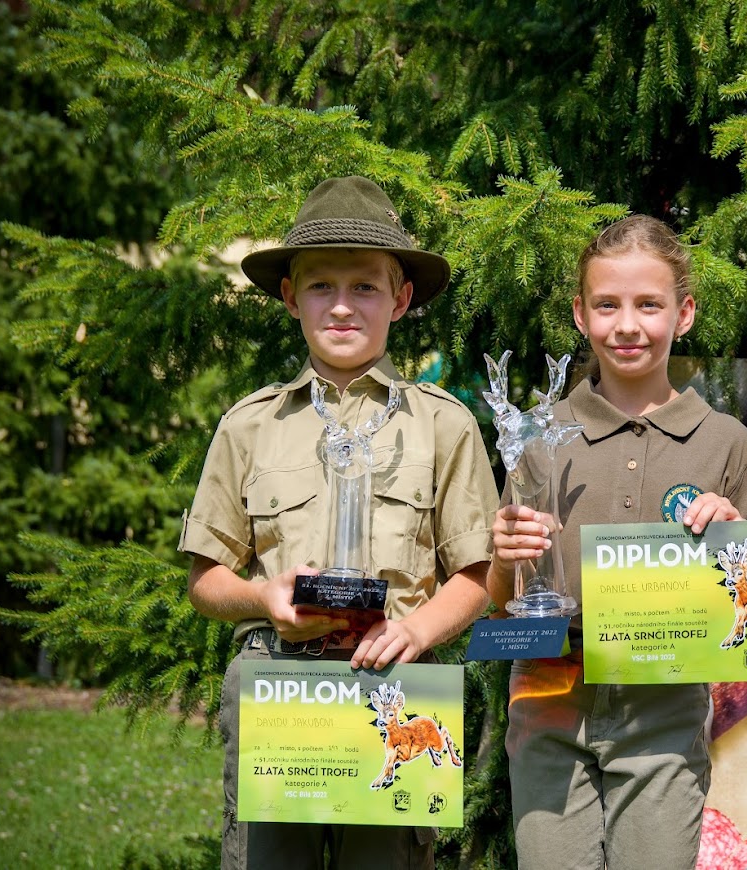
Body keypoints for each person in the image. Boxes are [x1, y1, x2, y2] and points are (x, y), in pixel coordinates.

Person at [179, 175, 498, 869]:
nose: (343, 306)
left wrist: (416, 629)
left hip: (396, 688)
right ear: (291, 297)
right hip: (277, 685)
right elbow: (206, 579)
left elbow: (479, 576)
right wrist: (262, 597)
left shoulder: (443, 425)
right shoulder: (250, 424)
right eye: (321, 286)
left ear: (401, 298)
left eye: (365, 287)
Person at [486, 215, 747, 870]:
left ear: (684, 312)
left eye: (649, 305)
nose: (627, 325)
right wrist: (506, 554)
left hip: (664, 713)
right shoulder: (538, 437)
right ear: (580, 316)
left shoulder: (727, 443)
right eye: (607, 305)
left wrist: (733, 542)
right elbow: (500, 604)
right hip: (549, 700)